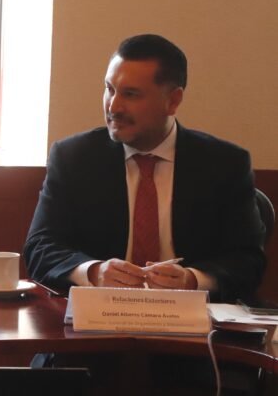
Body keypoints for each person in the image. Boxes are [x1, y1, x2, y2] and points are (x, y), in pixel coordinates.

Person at [24, 34, 265, 303]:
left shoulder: (225, 164)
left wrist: (193, 280)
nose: (114, 106)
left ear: (173, 101)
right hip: (97, 318)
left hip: (193, 320)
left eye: (131, 94)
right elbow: (40, 247)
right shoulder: (74, 158)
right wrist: (93, 272)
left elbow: (248, 261)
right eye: (110, 89)